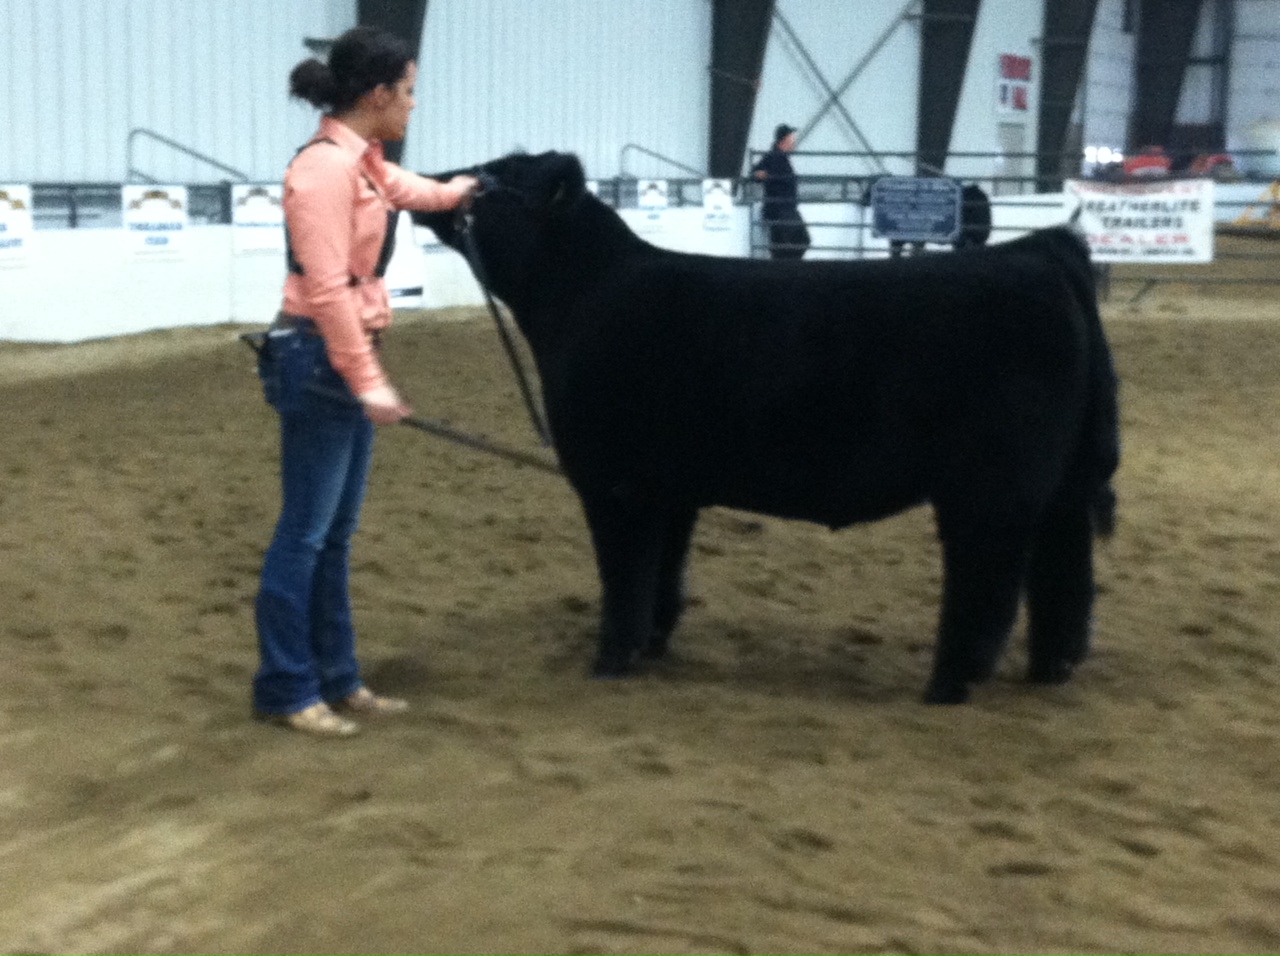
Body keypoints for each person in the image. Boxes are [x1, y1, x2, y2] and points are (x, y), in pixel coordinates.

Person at [252, 25, 478, 737]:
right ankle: (289, 687)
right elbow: (326, 291)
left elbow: (406, 189)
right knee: (307, 533)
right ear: (378, 94)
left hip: (337, 359)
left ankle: (339, 677)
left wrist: (460, 192)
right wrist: (368, 379)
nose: (413, 105)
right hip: (321, 357)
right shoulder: (322, 172)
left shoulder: (364, 162)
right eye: (407, 92)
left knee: (333, 534)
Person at [751, 124, 810, 260]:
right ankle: (787, 270)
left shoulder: (779, 157)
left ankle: (785, 269)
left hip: (784, 210)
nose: (794, 143)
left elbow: (755, 172)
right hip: (781, 210)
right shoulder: (774, 157)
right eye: (791, 139)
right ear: (784, 140)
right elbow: (755, 174)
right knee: (798, 241)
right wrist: (759, 175)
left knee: (785, 244)